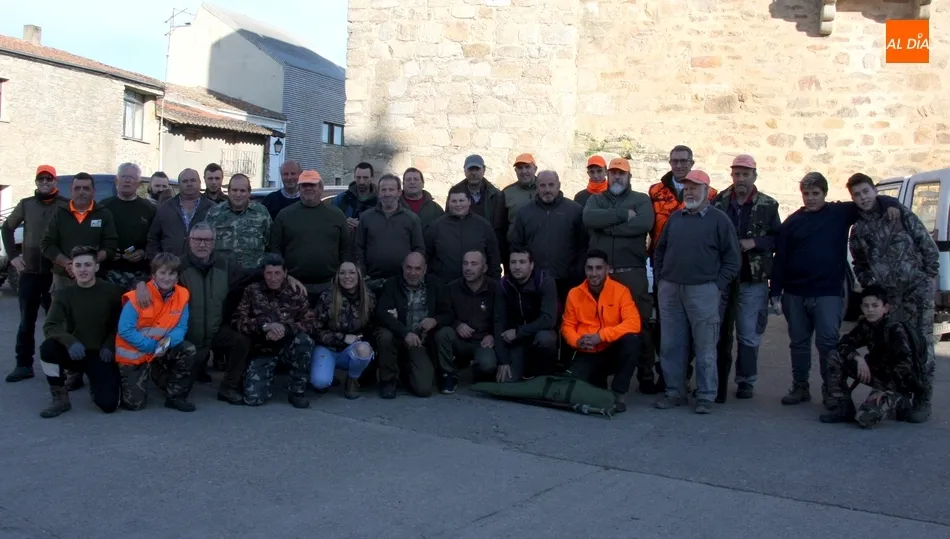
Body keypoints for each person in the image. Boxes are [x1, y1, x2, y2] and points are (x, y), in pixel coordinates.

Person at [770, 172, 902, 408]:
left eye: (815, 194)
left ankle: (832, 389)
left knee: (828, 343)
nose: (810, 198)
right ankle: (800, 386)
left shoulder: (839, 213)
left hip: (828, 292)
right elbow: (780, 259)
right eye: (806, 194)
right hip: (795, 292)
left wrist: (890, 202)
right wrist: (776, 292)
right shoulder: (792, 222)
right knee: (798, 342)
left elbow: (868, 202)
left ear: (825, 193)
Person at [846, 172, 938, 423]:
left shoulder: (899, 215)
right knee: (897, 347)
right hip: (889, 300)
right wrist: (871, 287)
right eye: (857, 194)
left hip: (916, 292)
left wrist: (929, 276)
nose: (863, 197)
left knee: (922, 345)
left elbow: (926, 244)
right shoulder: (859, 230)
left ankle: (923, 399)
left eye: (866, 191)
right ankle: (901, 396)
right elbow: (859, 263)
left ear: (875, 190)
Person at [653, 170, 740, 414]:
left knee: (705, 346)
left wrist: (716, 286)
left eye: (695, 187)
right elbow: (660, 251)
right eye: (687, 187)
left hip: (703, 291)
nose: (689, 191)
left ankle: (705, 395)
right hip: (670, 289)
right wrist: (661, 279)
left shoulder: (719, 220)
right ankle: (674, 392)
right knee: (670, 344)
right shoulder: (675, 218)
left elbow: (732, 260)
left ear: (707, 192)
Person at [710, 155, 781, 402]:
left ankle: (746, 381)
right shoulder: (718, 202)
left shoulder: (768, 204)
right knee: (717, 331)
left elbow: (778, 239)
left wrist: (755, 242)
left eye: (745, 174)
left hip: (753, 278)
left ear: (754, 176)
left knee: (748, 334)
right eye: (737, 174)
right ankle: (715, 381)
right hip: (722, 278)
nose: (740, 179)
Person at [583, 157, 658, 393]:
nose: (617, 177)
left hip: (631, 273)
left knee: (640, 324)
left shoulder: (642, 200)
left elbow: (644, 224)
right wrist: (623, 215)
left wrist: (606, 226)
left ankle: (646, 374)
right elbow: (588, 218)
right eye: (613, 173)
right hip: (602, 276)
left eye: (621, 173)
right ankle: (601, 375)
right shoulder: (596, 199)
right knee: (600, 323)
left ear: (629, 177)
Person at [819, 285, 927, 428]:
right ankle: (842, 407)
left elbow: (905, 367)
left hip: (895, 383)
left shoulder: (896, 329)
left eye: (875, 305)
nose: (870, 310)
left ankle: (901, 403)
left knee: (864, 419)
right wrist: (857, 358)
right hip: (877, 373)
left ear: (885, 308)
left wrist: (883, 392)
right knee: (835, 356)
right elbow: (844, 343)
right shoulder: (867, 325)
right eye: (866, 306)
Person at [36, 246, 123, 418]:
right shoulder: (63, 294)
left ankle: (94, 382)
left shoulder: (112, 292)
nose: (83, 270)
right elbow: (50, 326)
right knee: (47, 349)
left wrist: (109, 345)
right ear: (72, 268)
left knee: (108, 405)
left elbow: (120, 325)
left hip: (100, 354)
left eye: (87, 265)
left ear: (96, 267)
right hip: (74, 351)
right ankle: (60, 397)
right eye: (78, 265)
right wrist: (69, 341)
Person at [3, 164, 67, 383]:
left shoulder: (64, 205)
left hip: (56, 273)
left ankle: (60, 365)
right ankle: (23, 365)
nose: (45, 183)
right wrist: (13, 256)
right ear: (36, 183)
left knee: (57, 322)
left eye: (49, 179)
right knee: (26, 321)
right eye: (41, 180)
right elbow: (7, 228)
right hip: (30, 272)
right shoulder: (26, 205)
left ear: (55, 181)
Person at [115, 253, 198, 412]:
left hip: (161, 349)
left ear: (177, 277)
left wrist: (166, 343)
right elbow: (125, 330)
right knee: (135, 405)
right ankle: (130, 377)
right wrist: (153, 346)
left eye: (171, 273)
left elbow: (181, 327)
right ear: (153, 275)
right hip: (136, 353)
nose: (167, 278)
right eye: (162, 273)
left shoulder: (182, 295)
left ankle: (175, 396)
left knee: (188, 349)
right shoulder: (136, 296)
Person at [561, 249, 641, 413]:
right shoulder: (574, 293)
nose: (594, 273)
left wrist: (602, 336)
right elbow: (567, 326)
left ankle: (619, 393)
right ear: (585, 270)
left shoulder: (621, 291)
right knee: (573, 388)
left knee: (632, 340)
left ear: (607, 269)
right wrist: (577, 340)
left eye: (599, 268)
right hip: (587, 351)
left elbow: (634, 323)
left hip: (611, 350)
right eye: (590, 268)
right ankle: (599, 386)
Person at [233, 253, 318, 408]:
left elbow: (311, 322)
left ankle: (297, 391)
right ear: (263, 273)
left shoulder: (296, 291)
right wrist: (264, 327)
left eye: (277, 273)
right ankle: (260, 377)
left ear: (285, 273)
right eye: (269, 273)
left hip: (288, 348)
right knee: (253, 399)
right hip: (263, 349)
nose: (273, 278)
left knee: (305, 341)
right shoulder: (252, 291)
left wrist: (285, 329)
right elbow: (238, 320)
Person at [375, 252, 453, 399]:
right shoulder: (391, 285)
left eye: (417, 269)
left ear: (425, 269)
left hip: (419, 343)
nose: (412, 273)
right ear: (403, 268)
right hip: (397, 338)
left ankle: (404, 372)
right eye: (409, 268)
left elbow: (448, 314)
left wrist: (435, 320)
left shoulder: (436, 284)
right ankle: (388, 381)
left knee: (424, 390)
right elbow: (382, 314)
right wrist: (405, 333)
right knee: (384, 335)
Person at [508, 170, 588, 304]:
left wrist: (577, 271)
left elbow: (583, 244)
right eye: (543, 185)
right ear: (537, 187)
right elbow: (517, 245)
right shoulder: (525, 212)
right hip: (535, 280)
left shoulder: (575, 210)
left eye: (551, 185)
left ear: (558, 186)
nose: (547, 190)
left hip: (568, 279)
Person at [271, 170, 350, 302]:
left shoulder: (336, 215)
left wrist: (341, 277)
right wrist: (285, 277)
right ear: (299, 189)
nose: (308, 188)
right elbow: (275, 250)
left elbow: (346, 248)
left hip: (330, 286)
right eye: (304, 185)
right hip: (293, 286)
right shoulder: (284, 216)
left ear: (321, 188)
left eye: (312, 185)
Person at [40, 172, 118, 293]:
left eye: (86, 188)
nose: (81, 192)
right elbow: (46, 244)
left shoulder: (104, 214)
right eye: (77, 188)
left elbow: (111, 247)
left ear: (94, 191)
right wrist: (68, 264)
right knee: (61, 312)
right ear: (71, 190)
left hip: (95, 280)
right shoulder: (59, 213)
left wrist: (88, 264)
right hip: (64, 279)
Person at [435, 250, 499, 394]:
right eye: (465, 263)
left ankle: (471, 369)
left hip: (483, 341)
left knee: (487, 365)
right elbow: (444, 314)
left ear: (484, 268)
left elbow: (503, 317)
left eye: (474, 264)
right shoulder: (451, 288)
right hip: (460, 340)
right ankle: (448, 375)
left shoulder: (496, 289)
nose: (468, 268)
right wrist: (457, 325)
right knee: (443, 334)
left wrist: (493, 335)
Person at [311, 261, 376, 399]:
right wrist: (342, 337)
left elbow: (373, 327)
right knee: (320, 383)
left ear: (359, 276)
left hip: (351, 350)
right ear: (337, 276)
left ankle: (352, 380)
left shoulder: (369, 298)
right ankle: (327, 373)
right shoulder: (327, 297)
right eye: (342, 273)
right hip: (327, 348)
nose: (347, 276)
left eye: (352, 272)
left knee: (364, 349)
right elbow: (314, 330)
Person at [494, 250, 558, 382]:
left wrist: (519, 332)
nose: (517, 267)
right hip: (516, 341)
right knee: (507, 381)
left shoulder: (544, 282)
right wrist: (503, 360)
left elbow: (548, 319)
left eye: (522, 262)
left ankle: (543, 376)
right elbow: (499, 321)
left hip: (537, 335)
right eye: (513, 262)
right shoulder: (504, 285)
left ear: (531, 264)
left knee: (545, 339)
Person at [354, 173, 424, 289]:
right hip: (372, 281)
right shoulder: (366, 217)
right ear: (378, 192)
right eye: (383, 190)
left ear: (399, 192)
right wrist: (362, 272)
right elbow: (358, 247)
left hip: (402, 281)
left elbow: (418, 248)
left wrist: (413, 273)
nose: (387, 194)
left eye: (391, 190)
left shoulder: (411, 218)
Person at [425, 185, 501, 282]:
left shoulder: (483, 225)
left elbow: (493, 256)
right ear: (448, 203)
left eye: (461, 200)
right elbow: (426, 255)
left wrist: (494, 282)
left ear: (469, 201)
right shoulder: (436, 226)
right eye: (454, 201)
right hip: (443, 286)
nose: (458, 205)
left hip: (476, 286)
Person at [101, 162, 156, 291]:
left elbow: (155, 238)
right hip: (109, 272)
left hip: (139, 274)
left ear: (138, 183)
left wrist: (143, 253)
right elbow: (94, 235)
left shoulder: (149, 209)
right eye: (124, 176)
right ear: (116, 180)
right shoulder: (104, 206)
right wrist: (105, 251)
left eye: (131, 177)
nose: (127, 181)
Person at [206, 173, 272, 269]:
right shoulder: (214, 213)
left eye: (242, 191)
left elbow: (271, 244)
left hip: (253, 276)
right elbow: (205, 244)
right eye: (234, 190)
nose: (238, 194)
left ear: (249, 193)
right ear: (228, 191)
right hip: (222, 275)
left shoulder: (262, 213)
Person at [146, 168, 215, 258]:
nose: (189, 184)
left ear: (200, 183)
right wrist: (158, 262)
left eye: (193, 180)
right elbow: (153, 239)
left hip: (203, 267)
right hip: (171, 267)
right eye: (185, 181)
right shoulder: (166, 207)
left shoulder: (213, 209)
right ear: (179, 185)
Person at [448, 154, 507, 254]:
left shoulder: (496, 195)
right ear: (465, 171)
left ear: (484, 170)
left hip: (486, 247)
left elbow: (499, 227)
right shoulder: (455, 193)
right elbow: (449, 219)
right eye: (470, 169)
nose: (474, 173)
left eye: (477, 169)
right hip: (460, 247)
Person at [334, 162, 378, 231]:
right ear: (354, 177)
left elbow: (385, 227)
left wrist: (362, 226)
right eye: (358, 177)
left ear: (372, 178)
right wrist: (343, 224)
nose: (361, 182)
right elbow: (330, 222)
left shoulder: (380, 201)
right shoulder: (342, 198)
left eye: (365, 178)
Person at [400, 167, 444, 235]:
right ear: (403, 184)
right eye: (408, 180)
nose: (412, 182)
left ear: (423, 184)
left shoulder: (435, 209)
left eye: (416, 179)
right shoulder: (394, 206)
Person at [501, 153, 539, 227]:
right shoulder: (507, 193)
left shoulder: (545, 189)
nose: (524, 171)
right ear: (515, 171)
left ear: (535, 169)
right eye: (520, 168)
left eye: (527, 167)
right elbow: (501, 224)